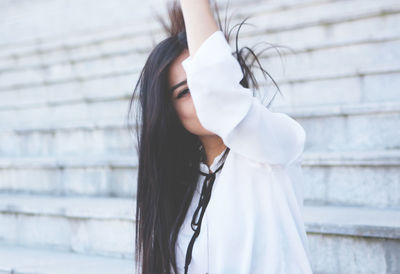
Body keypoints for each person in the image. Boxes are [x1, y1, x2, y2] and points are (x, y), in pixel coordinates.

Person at [128, 0, 313, 273]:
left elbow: (216, 94)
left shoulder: (272, 144)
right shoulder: (183, 184)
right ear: (169, 114)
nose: (201, 95)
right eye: (185, 92)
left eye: (199, 83)